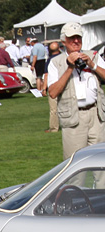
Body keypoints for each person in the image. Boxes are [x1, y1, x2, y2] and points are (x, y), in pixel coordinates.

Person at [47, 22, 105, 159]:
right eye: (72, 38)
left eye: (78, 37)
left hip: (96, 115)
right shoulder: (56, 62)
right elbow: (53, 92)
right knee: (75, 162)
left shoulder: (94, 55)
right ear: (63, 41)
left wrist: (92, 65)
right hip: (73, 117)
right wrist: (69, 68)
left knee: (101, 162)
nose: (76, 41)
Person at [46, 40, 62, 132]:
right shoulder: (63, 58)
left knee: (53, 109)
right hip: (65, 84)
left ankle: (54, 127)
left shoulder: (50, 60)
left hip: (54, 85)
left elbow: (46, 74)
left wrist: (44, 88)